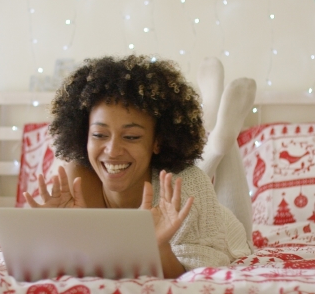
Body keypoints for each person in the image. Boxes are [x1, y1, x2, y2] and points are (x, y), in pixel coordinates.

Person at [24, 54, 254, 278]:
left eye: (131, 137)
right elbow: (40, 262)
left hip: (225, 234)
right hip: (178, 191)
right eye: (99, 134)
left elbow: (196, 274)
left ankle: (219, 136)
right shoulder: (72, 181)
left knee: (190, 184)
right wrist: (49, 232)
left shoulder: (191, 184)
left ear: (157, 141)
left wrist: (158, 247)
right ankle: (215, 129)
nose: (112, 150)